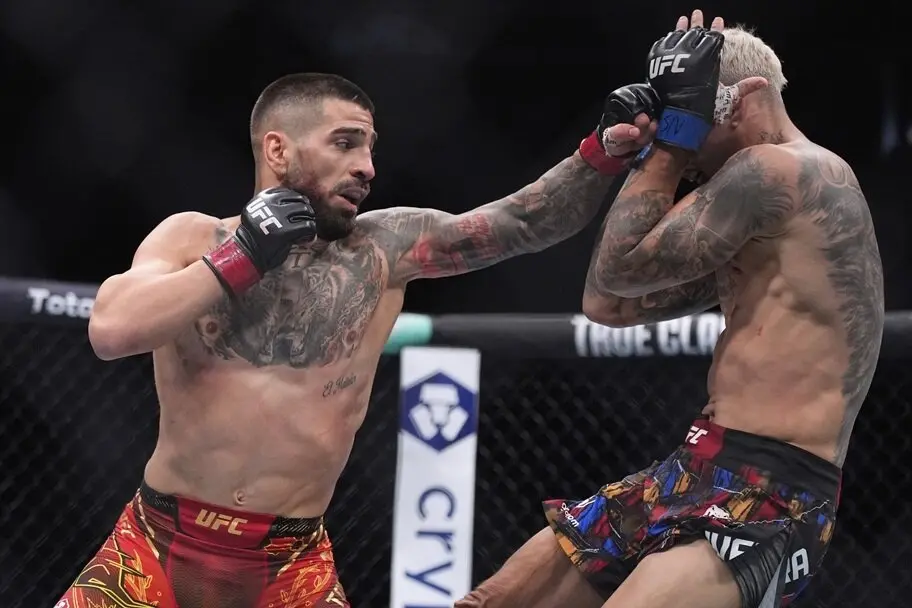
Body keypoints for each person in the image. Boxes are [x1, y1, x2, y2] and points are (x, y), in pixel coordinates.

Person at [56, 73, 659, 607]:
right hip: (154, 544)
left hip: (290, 567)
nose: (367, 167)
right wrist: (244, 255)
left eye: (370, 148)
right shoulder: (191, 237)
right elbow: (112, 330)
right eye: (345, 143)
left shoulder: (385, 250)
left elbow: (522, 223)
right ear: (278, 150)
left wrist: (600, 153)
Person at [456, 10, 884, 608]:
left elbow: (618, 268)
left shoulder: (785, 171)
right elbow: (607, 302)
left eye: (687, 113)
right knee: (492, 600)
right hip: (695, 463)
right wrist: (658, 145)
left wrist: (670, 145)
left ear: (739, 102)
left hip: (772, 490)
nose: (678, 138)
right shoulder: (756, 218)